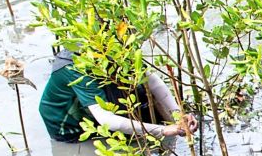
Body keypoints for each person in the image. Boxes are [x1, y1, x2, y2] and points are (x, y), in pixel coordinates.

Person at [38, 48, 197, 143]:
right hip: (70, 124)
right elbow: (106, 119)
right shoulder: (76, 67)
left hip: (101, 102)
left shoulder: (119, 45)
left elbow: (151, 80)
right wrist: (163, 130)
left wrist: (178, 116)